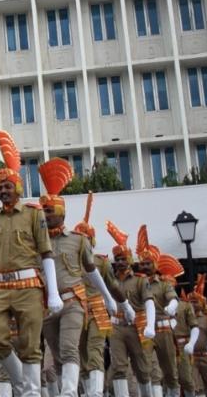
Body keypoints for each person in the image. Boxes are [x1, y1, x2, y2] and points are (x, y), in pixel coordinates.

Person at [0, 131, 64, 397]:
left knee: (30, 344)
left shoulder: (33, 214)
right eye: (1, 186)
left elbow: (46, 252)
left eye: (8, 186)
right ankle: (21, 382)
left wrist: (52, 292)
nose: (3, 190)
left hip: (28, 285)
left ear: (17, 188)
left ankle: (30, 393)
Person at [37, 159, 127, 397]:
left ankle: (84, 394)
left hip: (78, 304)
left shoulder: (79, 241)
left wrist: (112, 300)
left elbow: (94, 272)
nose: (45, 215)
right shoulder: (36, 241)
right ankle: (80, 390)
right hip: (47, 307)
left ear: (61, 212)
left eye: (49, 210)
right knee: (58, 357)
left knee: (81, 351)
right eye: (42, 210)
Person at [72, 194, 125, 397]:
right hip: (78, 310)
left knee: (94, 349)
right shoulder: (71, 261)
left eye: (85, 238)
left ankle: (95, 392)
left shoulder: (101, 262)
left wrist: (120, 304)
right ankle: (87, 391)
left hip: (98, 310)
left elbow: (111, 285)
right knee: (81, 352)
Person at [105, 222, 158, 397]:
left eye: (122, 259)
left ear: (129, 260)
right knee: (119, 367)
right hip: (116, 327)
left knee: (142, 368)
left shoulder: (141, 281)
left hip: (137, 327)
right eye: (117, 259)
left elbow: (149, 301)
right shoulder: (110, 281)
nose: (119, 262)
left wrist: (150, 325)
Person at [136, 226, 178, 397]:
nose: (145, 267)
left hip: (163, 330)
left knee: (169, 370)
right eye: (143, 264)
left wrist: (172, 306)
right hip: (144, 331)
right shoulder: (137, 283)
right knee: (145, 367)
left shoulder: (163, 284)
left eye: (148, 264)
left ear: (154, 265)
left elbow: (173, 297)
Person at [171, 280, 201, 397]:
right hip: (165, 343)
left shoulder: (185, 306)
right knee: (167, 377)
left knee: (186, 378)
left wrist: (192, 343)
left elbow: (194, 326)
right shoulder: (158, 304)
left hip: (182, 345)